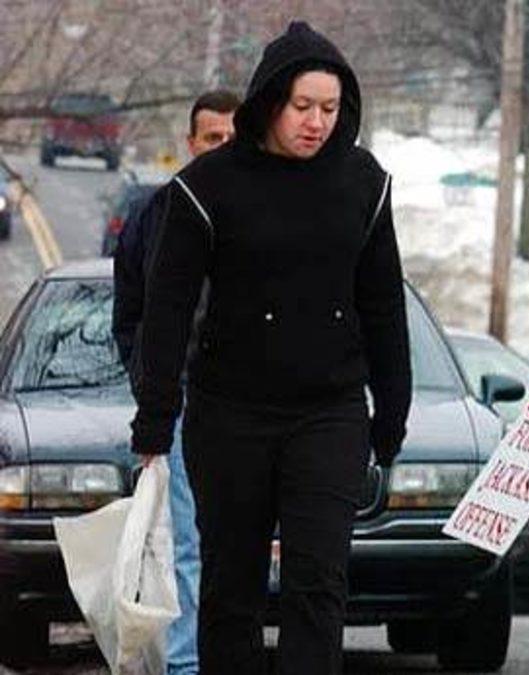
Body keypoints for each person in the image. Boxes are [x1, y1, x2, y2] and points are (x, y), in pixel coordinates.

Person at [129, 21, 412, 674]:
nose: (316, 122)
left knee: (319, 580)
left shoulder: (363, 183)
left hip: (329, 412)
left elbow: (383, 305)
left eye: (331, 108)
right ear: (271, 102)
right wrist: (155, 413)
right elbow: (167, 310)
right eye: (303, 106)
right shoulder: (207, 187)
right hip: (230, 413)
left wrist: (390, 414)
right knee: (232, 586)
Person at [112, 88, 239, 675]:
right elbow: (131, 312)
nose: (222, 148)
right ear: (191, 143)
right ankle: (188, 666)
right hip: (187, 400)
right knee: (191, 542)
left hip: (256, 401)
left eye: (233, 137)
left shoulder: (266, 207)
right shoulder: (157, 213)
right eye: (212, 137)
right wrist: (153, 389)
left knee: (248, 544)